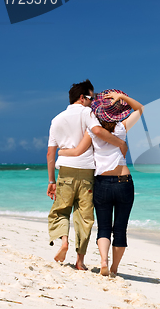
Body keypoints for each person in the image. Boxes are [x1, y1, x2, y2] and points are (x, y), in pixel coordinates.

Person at [59, 89, 144, 276]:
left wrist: (61, 152)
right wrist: (122, 98)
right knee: (120, 228)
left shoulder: (93, 131)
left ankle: (103, 261)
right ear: (118, 112)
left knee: (104, 227)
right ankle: (113, 269)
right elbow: (140, 109)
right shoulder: (122, 127)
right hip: (124, 181)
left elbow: (77, 152)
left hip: (102, 183)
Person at [47, 80, 128, 270]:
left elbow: (51, 153)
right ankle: (80, 261)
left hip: (65, 171)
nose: (93, 102)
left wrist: (51, 180)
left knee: (60, 210)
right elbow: (98, 131)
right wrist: (120, 143)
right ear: (82, 98)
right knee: (84, 217)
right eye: (91, 98)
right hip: (87, 172)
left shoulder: (57, 119)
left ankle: (64, 241)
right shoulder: (88, 113)